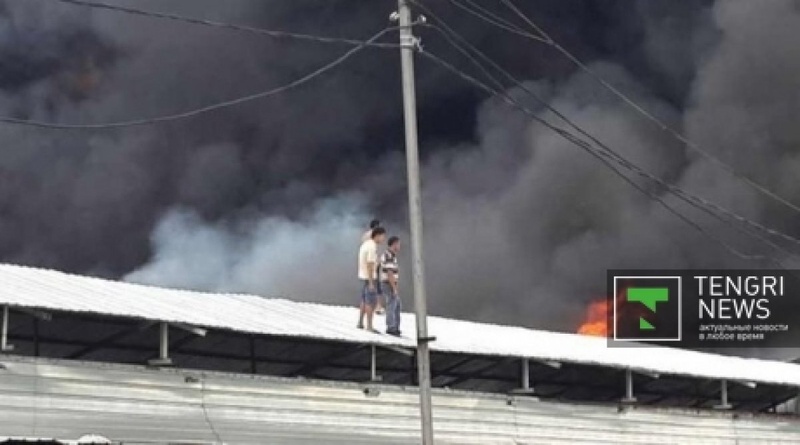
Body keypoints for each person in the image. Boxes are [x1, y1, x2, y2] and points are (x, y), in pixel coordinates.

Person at [357, 227, 386, 332]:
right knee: (371, 302)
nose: (383, 239)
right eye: (383, 236)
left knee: (364, 300)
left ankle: (360, 322)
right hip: (369, 277)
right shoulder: (372, 247)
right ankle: (369, 326)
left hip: (363, 276)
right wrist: (371, 282)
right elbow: (370, 264)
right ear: (377, 235)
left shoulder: (365, 244)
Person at [379, 236, 401, 336]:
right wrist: (394, 288)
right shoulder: (388, 256)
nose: (399, 246)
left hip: (390, 283)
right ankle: (391, 327)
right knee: (392, 304)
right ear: (394, 244)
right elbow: (390, 273)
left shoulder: (392, 256)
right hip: (388, 283)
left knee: (396, 304)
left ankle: (395, 326)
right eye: (398, 244)